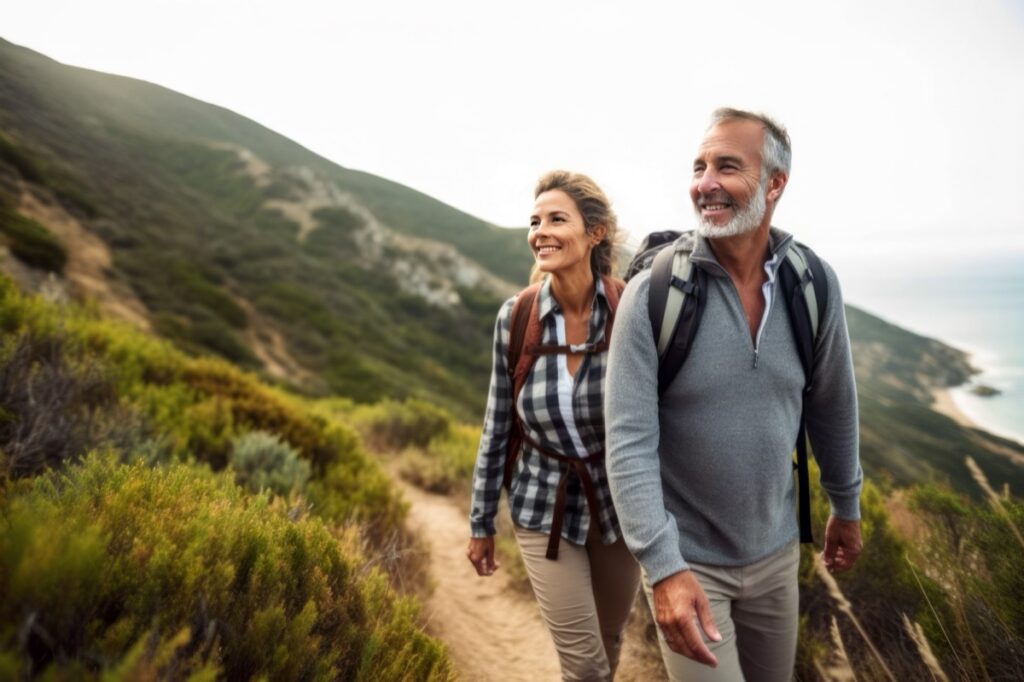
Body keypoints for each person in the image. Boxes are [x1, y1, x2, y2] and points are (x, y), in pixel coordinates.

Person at [604, 108, 864, 682]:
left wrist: (846, 503)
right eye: (698, 167)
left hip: (776, 557)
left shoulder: (813, 283)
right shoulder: (652, 295)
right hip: (689, 562)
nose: (705, 183)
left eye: (727, 166)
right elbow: (627, 445)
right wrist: (664, 568)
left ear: (775, 184)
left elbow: (832, 405)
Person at [467, 170, 641, 681]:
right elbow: (497, 425)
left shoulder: (630, 310)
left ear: (595, 233)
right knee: (585, 667)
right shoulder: (516, 317)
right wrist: (481, 523)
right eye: (534, 221)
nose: (540, 230)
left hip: (618, 506)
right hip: (541, 505)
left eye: (556, 219)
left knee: (608, 641)